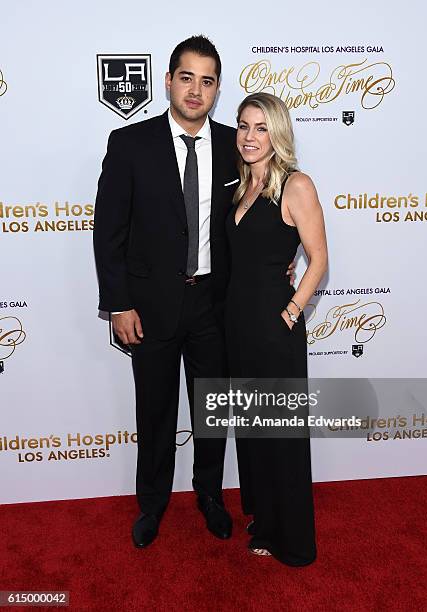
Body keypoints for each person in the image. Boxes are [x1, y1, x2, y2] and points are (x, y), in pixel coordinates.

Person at [93, 36, 238, 547]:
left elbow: (252, 220)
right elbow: (108, 231)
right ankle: (151, 504)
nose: (196, 90)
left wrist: (279, 261)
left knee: (211, 409)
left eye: (207, 80)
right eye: (187, 77)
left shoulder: (234, 148)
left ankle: (210, 496)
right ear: (169, 80)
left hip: (212, 306)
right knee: (154, 411)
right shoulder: (130, 143)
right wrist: (117, 303)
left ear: (217, 88)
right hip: (149, 307)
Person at [225, 92, 328, 565]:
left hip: (274, 325)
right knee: (253, 429)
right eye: (244, 126)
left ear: (278, 133)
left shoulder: (296, 184)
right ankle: (265, 519)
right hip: (238, 325)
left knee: (281, 433)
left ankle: (294, 540)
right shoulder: (240, 187)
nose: (249, 136)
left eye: (261, 127)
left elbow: (319, 259)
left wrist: (290, 312)